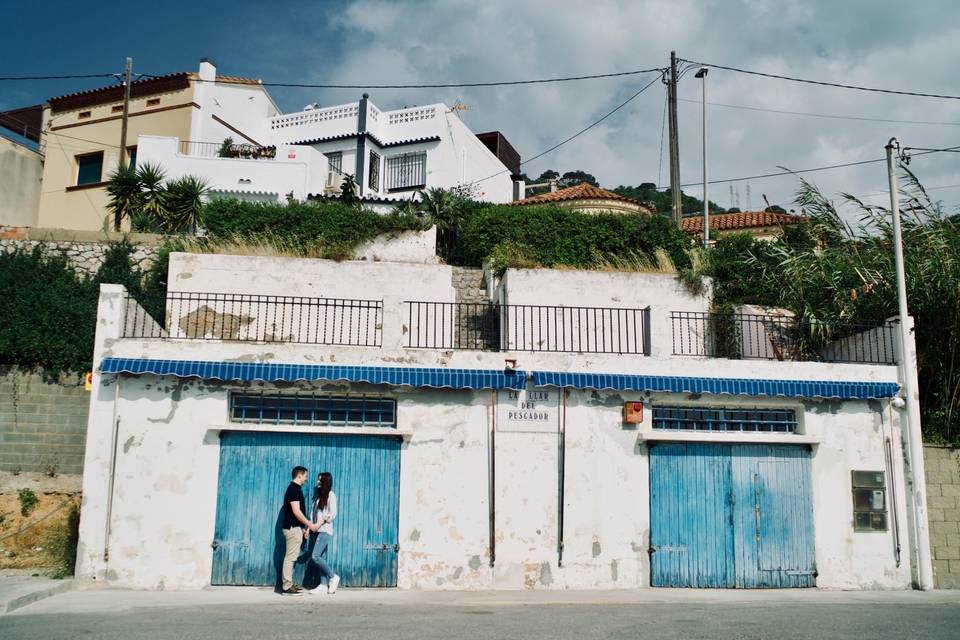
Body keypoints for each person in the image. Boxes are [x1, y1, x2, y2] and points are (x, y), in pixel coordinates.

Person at [280, 466, 319, 595]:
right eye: (305, 476)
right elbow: (296, 511)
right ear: (300, 475)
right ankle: (286, 587)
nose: (306, 479)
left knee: (292, 557)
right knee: (290, 558)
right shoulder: (293, 490)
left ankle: (289, 583)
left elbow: (295, 513)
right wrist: (309, 524)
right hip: (292, 529)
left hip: (295, 528)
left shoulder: (295, 489)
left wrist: (302, 529)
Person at [303, 471, 340, 594]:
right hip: (315, 530)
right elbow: (313, 515)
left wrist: (318, 524)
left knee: (315, 556)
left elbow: (332, 514)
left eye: (320, 480)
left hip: (324, 531)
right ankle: (323, 585)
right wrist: (308, 529)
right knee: (322, 557)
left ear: (326, 482)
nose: (318, 482)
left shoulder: (331, 495)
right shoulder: (318, 497)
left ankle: (333, 576)